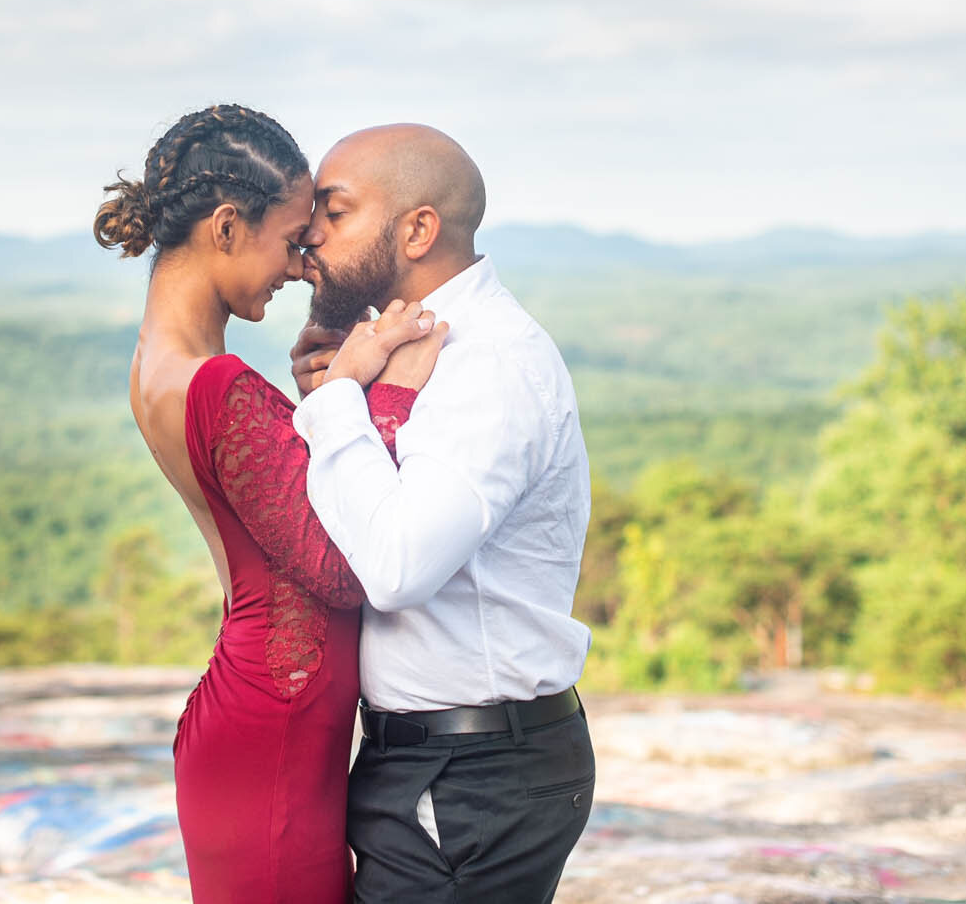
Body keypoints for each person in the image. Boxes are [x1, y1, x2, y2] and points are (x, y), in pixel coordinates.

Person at [94, 103, 448, 904]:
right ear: (226, 227)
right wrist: (380, 393)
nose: (299, 266)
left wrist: (328, 399)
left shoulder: (161, 364)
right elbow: (341, 564)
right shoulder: (216, 383)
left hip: (261, 722)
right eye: (291, 241)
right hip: (271, 734)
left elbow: (275, 512)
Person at [289, 123, 595, 904]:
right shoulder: (415, 349)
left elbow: (395, 566)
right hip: (439, 763)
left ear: (418, 228)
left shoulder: (486, 364)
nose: (308, 233)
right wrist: (355, 403)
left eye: (336, 210)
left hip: (472, 774)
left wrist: (337, 408)